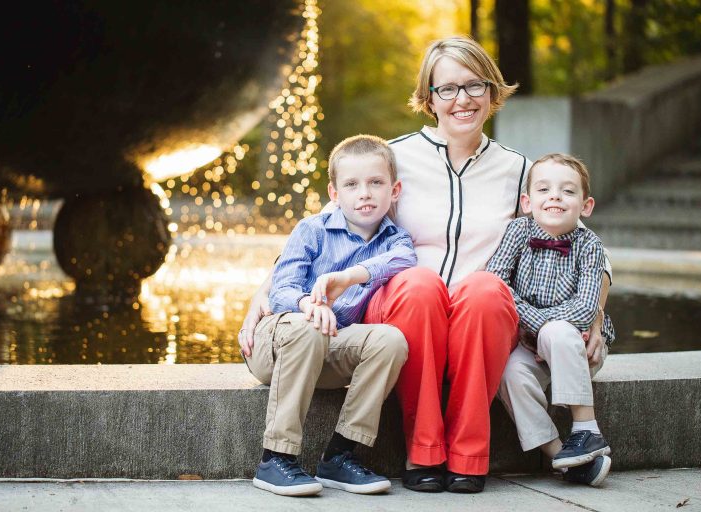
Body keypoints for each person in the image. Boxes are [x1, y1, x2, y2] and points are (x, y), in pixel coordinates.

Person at [239, 36, 611, 494]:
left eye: (474, 86)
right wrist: (265, 295)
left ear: (492, 92)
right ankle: (424, 450)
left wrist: (592, 315)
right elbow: (322, 231)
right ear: (429, 97)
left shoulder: (519, 169)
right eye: (446, 89)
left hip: (481, 322)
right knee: (419, 283)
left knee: (487, 289)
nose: (462, 100)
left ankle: (469, 456)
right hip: (406, 310)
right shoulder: (395, 159)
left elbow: (580, 242)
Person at [243, 134, 417, 497]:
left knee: (390, 339)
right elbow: (282, 289)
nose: (364, 193)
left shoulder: (396, 240)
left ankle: (340, 455)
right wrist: (309, 303)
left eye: (375, 183)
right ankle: (275, 458)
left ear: (394, 189)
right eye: (352, 185)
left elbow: (405, 261)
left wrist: (350, 276)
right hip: (280, 340)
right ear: (334, 193)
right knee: (309, 329)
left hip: (330, 347)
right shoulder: (312, 229)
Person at [487, 154, 615, 486]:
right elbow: (496, 285)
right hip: (529, 345)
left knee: (559, 331)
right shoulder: (517, 232)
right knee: (508, 373)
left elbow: (585, 309)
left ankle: (587, 429)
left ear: (585, 207)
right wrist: (536, 328)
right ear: (528, 201)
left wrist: (544, 327)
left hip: (575, 345)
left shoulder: (589, 245)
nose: (555, 196)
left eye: (567, 191)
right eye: (544, 189)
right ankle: (563, 455)